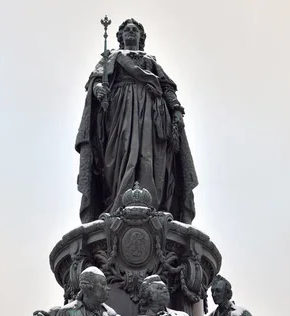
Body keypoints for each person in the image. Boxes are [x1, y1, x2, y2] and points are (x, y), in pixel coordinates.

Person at [75, 18, 198, 224]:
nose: (131, 32)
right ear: (121, 37)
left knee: (149, 157)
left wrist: (176, 109)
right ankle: (117, 201)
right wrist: (98, 89)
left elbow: (167, 87)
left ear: (141, 38)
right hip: (120, 113)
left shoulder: (150, 61)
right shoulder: (112, 57)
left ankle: (152, 205)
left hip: (152, 113)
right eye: (127, 30)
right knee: (120, 155)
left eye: (135, 30)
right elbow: (95, 80)